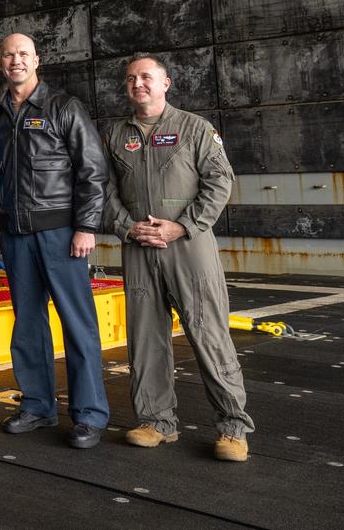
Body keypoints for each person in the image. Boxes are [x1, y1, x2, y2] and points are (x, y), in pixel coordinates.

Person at [102, 53, 254, 462]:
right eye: (132, 78)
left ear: (166, 83)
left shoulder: (193, 128)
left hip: (188, 246)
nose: (139, 84)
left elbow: (221, 181)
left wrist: (183, 226)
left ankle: (233, 427)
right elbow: (103, 189)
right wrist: (125, 226)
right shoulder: (116, 134)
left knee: (208, 334)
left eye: (147, 77)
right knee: (146, 339)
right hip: (138, 248)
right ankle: (156, 422)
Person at [0, 33, 109, 449]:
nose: (15, 61)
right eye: (8, 55)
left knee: (78, 324)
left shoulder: (63, 108)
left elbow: (92, 170)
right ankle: (37, 405)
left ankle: (89, 415)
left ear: (36, 60)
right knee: (28, 325)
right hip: (16, 236)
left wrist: (86, 227)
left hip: (61, 234)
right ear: (1, 62)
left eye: (23, 54)